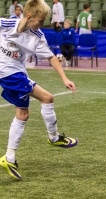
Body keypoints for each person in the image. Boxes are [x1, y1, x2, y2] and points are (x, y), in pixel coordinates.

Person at [0, 0, 78, 180]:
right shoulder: (7, 24)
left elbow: (51, 57)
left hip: (18, 73)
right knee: (47, 98)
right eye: (41, 21)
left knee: (23, 113)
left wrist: (65, 78)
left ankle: (9, 157)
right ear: (29, 17)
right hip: (8, 74)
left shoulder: (38, 36)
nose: (43, 24)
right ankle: (53, 138)